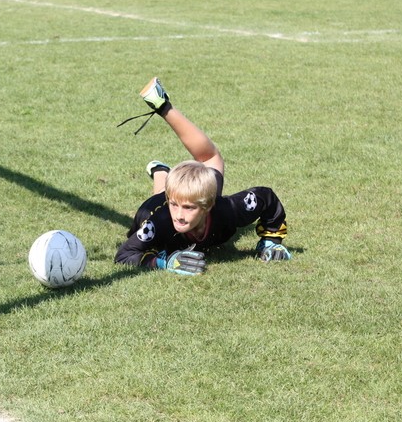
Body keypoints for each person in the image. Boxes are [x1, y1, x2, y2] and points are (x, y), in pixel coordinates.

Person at [114, 77, 291, 275]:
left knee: (210, 160)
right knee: (183, 179)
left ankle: (162, 170)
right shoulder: (157, 223)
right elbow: (124, 255)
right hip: (154, 207)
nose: (179, 216)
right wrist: (164, 262)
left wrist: (271, 242)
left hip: (189, 198)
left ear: (209, 205)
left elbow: (266, 197)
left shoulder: (227, 209)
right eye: (175, 205)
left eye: (189, 208)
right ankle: (161, 169)